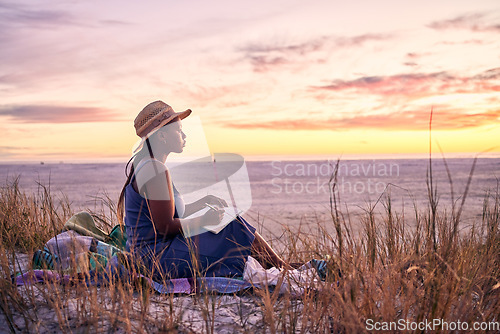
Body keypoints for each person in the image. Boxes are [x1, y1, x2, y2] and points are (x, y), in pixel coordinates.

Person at [117, 100, 291, 280]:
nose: (184, 135)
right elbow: (164, 227)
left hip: (152, 255)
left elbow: (166, 215)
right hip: (157, 260)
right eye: (178, 130)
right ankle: (279, 266)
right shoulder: (156, 170)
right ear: (162, 137)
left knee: (230, 221)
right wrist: (203, 220)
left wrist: (201, 203)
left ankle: (276, 265)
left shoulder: (150, 166)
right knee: (233, 224)